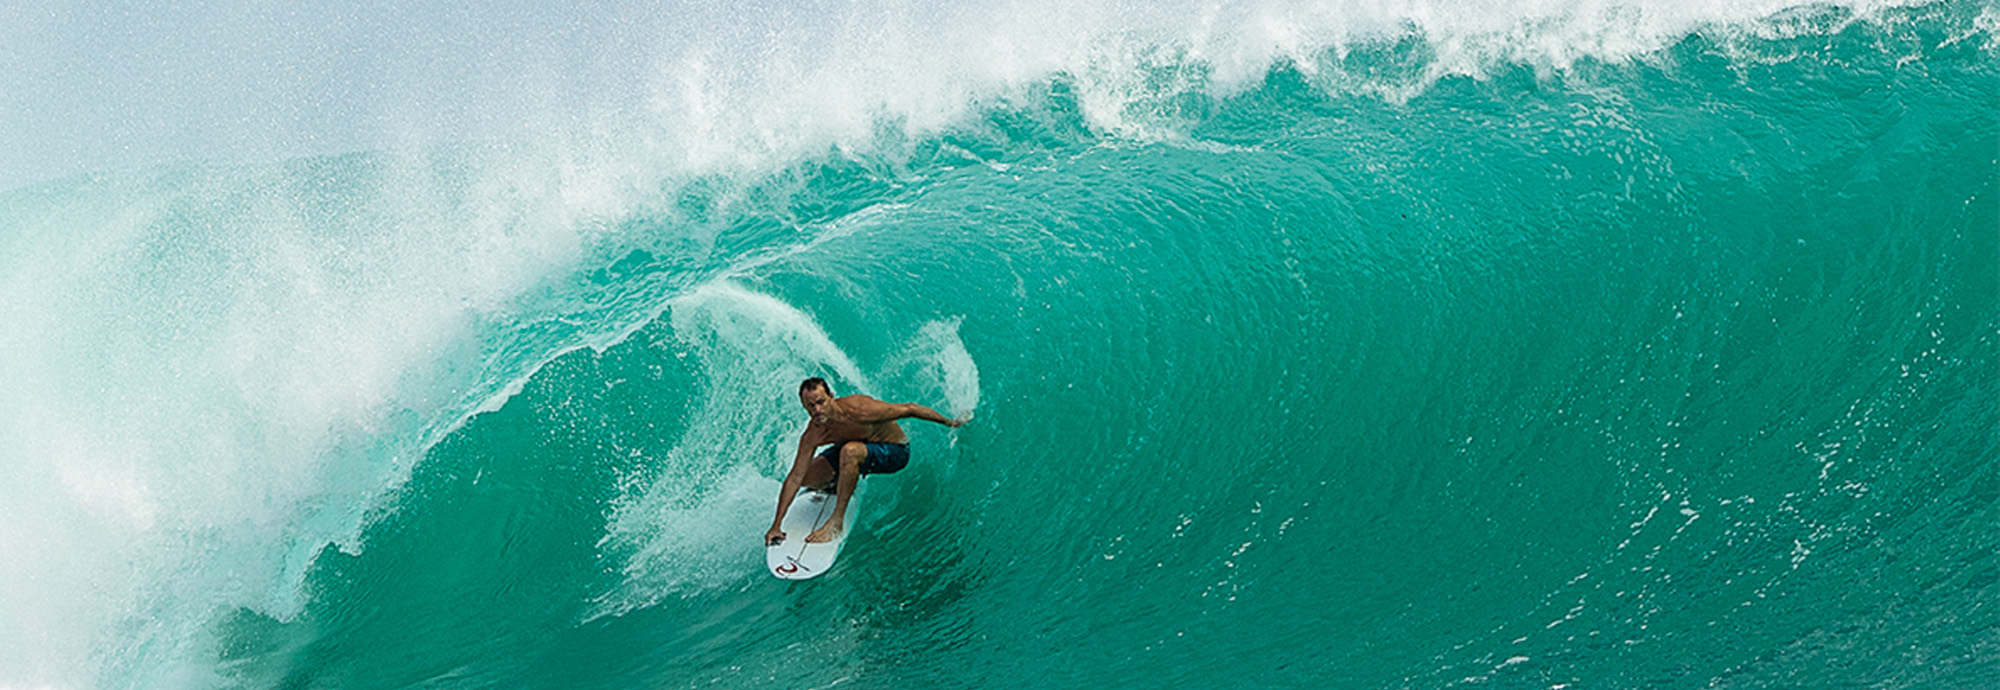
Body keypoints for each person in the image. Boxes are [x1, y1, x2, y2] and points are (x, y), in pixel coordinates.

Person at [766, 377, 963, 545]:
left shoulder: (860, 409)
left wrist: (951, 423)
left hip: (894, 451)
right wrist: (776, 525)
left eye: (821, 402)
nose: (817, 410)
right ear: (804, 406)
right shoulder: (814, 433)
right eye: (811, 406)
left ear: (831, 396)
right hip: (851, 448)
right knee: (807, 477)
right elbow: (794, 477)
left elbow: (909, 409)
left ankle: (836, 521)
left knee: (850, 452)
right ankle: (841, 480)